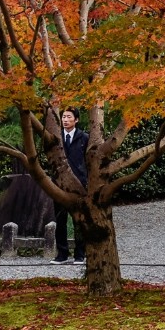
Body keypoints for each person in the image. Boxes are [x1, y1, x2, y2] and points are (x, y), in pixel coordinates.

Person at [53, 109, 90, 265]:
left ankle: (80, 254)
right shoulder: (56, 138)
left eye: (69, 117)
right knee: (59, 219)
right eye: (63, 117)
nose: (65, 120)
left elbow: (88, 160)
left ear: (76, 120)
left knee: (79, 220)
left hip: (78, 183)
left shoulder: (84, 137)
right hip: (59, 184)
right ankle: (62, 254)